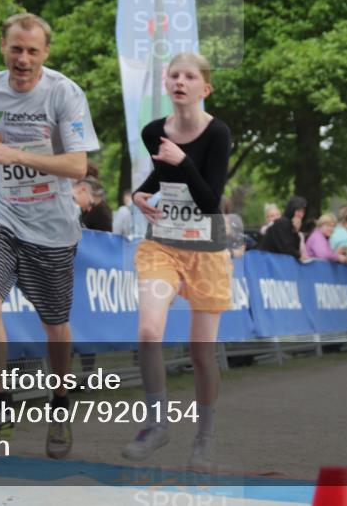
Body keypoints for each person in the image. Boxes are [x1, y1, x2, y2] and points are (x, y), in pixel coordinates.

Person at [0, 13, 99, 461]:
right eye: (16, 49)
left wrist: (14, 154)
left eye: (32, 51)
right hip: (1, 213)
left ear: (45, 54)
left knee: (55, 325)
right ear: (3, 47)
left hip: (53, 226)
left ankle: (60, 404)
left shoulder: (63, 93)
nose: (23, 59)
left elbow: (78, 167)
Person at [121, 51, 231, 472]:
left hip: (206, 250)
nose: (179, 81)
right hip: (162, 246)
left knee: (202, 354)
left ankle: (204, 438)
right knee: (149, 330)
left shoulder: (217, 133)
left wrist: (183, 161)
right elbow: (160, 178)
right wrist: (139, 193)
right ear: (166, 84)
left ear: (206, 88)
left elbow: (208, 200)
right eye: (173, 75)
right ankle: (156, 424)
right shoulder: (154, 132)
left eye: (189, 76)